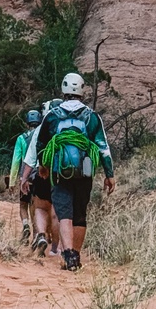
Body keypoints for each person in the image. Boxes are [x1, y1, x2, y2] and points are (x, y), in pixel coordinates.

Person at [34, 72, 115, 271]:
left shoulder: (52, 116)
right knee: (80, 214)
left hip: (59, 172)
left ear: (63, 91)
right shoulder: (92, 116)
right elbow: (103, 147)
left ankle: (68, 254)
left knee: (64, 214)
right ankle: (75, 256)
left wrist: (43, 166)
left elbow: (41, 144)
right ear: (81, 91)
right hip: (84, 173)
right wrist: (109, 174)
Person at [19, 98, 62, 257]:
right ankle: (55, 248)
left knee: (40, 208)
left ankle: (41, 234)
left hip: (41, 173)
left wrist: (23, 178)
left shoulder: (40, 129)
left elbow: (30, 158)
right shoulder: (66, 126)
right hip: (62, 174)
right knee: (56, 212)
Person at [8, 110, 41, 243]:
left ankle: (26, 225)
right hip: (39, 175)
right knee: (36, 206)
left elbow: (16, 161)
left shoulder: (21, 138)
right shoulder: (41, 136)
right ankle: (36, 236)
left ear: (27, 123)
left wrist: (12, 181)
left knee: (23, 205)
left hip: (25, 176)